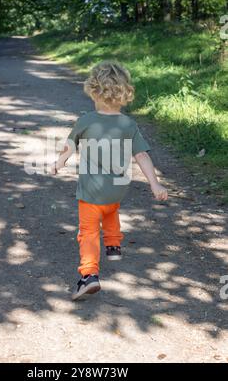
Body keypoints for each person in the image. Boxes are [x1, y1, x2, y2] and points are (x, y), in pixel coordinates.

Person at [51, 61, 168, 300]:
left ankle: (89, 276)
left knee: (89, 231)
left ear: (94, 91)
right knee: (110, 210)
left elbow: (68, 146)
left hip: (91, 193)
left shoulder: (86, 121)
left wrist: (58, 163)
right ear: (124, 93)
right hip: (117, 191)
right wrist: (155, 184)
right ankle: (113, 245)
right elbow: (142, 155)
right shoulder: (128, 124)